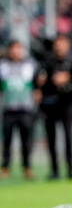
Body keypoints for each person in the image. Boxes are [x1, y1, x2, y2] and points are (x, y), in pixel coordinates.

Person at [37, 34, 72, 180]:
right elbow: (40, 81)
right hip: (50, 105)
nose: (59, 47)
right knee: (51, 138)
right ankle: (54, 171)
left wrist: (68, 81)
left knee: (68, 137)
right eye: (57, 44)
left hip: (67, 104)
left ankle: (70, 170)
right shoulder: (48, 61)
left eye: (62, 44)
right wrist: (42, 83)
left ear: (68, 46)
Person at [0, 40, 37, 179]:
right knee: (7, 141)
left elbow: (36, 83)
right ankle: (5, 167)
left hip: (25, 109)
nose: (16, 51)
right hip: (8, 108)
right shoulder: (3, 65)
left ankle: (27, 167)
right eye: (13, 48)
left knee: (26, 141)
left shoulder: (29, 65)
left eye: (18, 48)